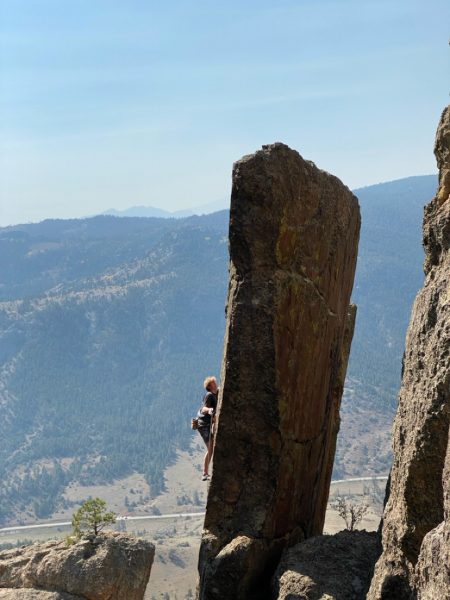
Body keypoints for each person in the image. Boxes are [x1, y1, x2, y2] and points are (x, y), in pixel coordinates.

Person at [197, 376, 218, 481]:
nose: (216, 383)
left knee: (211, 448)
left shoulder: (215, 394)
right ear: (209, 386)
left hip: (207, 424)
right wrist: (209, 410)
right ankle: (205, 473)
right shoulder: (209, 395)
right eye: (214, 383)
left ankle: (205, 472)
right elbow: (203, 408)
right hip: (204, 425)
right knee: (210, 448)